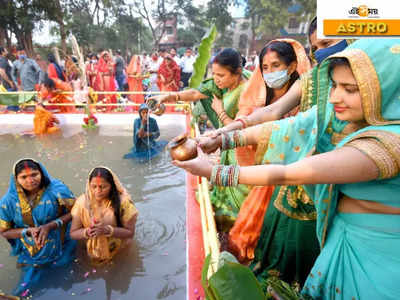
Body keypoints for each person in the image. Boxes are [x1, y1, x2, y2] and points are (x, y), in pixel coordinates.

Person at [174, 39, 400, 299]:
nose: (335, 96)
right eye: (335, 85)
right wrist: (222, 138)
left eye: (349, 89)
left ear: (385, 87)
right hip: (341, 238)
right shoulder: (339, 115)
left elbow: (297, 172)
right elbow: (282, 125)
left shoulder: (389, 143)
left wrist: (215, 173)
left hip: (377, 258)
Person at [226, 40, 316, 286]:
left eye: (276, 65)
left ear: (292, 66)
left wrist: (225, 136)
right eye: (265, 66)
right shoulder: (263, 92)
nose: (269, 72)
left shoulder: (308, 89)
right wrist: (225, 133)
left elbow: (274, 119)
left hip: (298, 172)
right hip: (267, 168)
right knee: (260, 225)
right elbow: (264, 116)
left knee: (282, 232)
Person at [149, 48, 252, 229]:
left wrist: (219, 111)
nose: (216, 79)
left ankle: (240, 222)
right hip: (227, 141)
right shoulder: (222, 84)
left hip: (246, 147)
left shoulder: (250, 91)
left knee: (242, 187)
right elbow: (196, 93)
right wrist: (169, 96)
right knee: (226, 178)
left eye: (221, 75)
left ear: (238, 72)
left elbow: (245, 127)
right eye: (214, 74)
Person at [211, 17, 352, 137]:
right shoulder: (311, 81)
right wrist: (224, 132)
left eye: (326, 44)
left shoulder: (368, 74)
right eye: (315, 48)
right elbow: (274, 111)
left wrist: (223, 119)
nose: (320, 52)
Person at [0, 159, 76, 295]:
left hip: (62, 242)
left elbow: (76, 212)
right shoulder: (9, 201)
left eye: (34, 174)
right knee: (28, 283)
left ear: (41, 173)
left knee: (63, 273)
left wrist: (50, 226)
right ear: (16, 179)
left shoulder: (57, 190)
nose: (30, 180)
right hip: (31, 250)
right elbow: (4, 232)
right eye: (24, 177)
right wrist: (27, 231)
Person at [70, 167, 138, 265]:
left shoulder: (123, 203)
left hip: (120, 251)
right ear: (89, 185)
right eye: (94, 186)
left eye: (103, 187)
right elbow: (73, 233)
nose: (98, 191)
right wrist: (87, 232)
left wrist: (107, 230)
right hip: (91, 252)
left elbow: (130, 233)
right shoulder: (82, 203)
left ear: (112, 186)